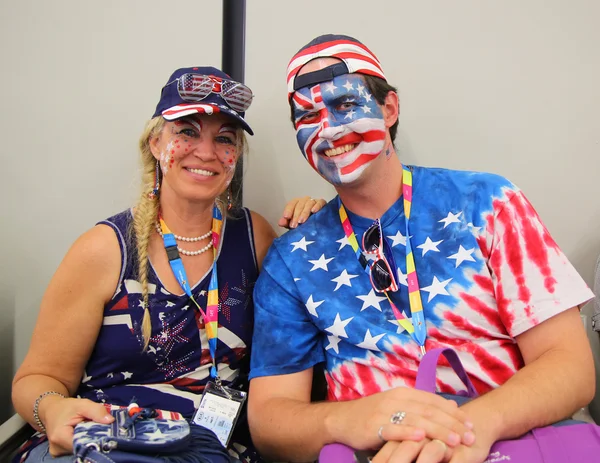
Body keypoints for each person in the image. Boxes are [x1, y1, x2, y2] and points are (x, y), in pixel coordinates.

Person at [247, 34, 595, 463]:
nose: (329, 129)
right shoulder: (292, 259)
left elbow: (572, 366)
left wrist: (473, 428)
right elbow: (268, 421)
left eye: (345, 105)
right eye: (308, 115)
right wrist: (351, 419)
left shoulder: (487, 202)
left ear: (389, 108)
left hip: (507, 441)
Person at [11, 65, 324, 463]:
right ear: (156, 143)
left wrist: (318, 228)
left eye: (224, 139)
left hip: (216, 450)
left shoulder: (254, 237)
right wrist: (53, 409)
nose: (206, 152)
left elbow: (313, 319)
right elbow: (37, 379)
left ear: (236, 156)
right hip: (110, 442)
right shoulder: (106, 248)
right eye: (187, 132)